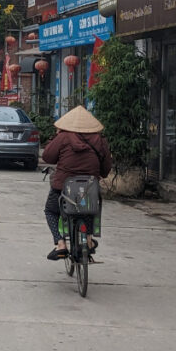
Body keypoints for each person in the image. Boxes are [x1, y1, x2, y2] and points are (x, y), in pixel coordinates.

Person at [40, 105, 113, 260]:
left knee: (51, 211)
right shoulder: (100, 140)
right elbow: (106, 169)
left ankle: (60, 243)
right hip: (90, 186)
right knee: (91, 209)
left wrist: (55, 138)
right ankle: (89, 239)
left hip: (63, 186)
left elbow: (47, 157)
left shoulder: (64, 137)